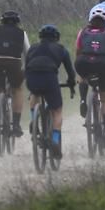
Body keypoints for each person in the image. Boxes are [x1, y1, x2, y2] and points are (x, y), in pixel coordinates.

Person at [74, 8, 105, 148]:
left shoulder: (82, 32)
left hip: (83, 62)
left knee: (82, 75)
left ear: (91, 21)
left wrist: (80, 65)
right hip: (102, 64)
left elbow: (78, 51)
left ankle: (83, 99)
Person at [25, 24, 76, 155]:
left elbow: (26, 66)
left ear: (40, 36)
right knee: (57, 110)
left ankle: (33, 119)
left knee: (34, 94)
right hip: (49, 77)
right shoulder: (61, 49)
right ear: (56, 37)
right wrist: (71, 83)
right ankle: (54, 140)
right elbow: (70, 71)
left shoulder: (32, 48)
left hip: (32, 76)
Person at [0, 10, 29, 137]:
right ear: (17, 22)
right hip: (13, 62)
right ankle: (16, 124)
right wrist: (26, 69)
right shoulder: (22, 33)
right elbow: (28, 53)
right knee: (17, 88)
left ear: (2, 21)